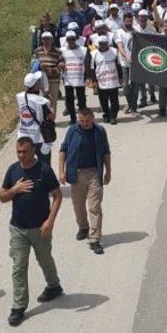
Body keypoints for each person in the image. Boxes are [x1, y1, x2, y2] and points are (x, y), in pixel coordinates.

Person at [0, 136, 63, 327]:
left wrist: (50, 221)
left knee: (44, 259)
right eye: (18, 151)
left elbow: (57, 196)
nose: (21, 155)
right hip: (18, 228)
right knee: (19, 266)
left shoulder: (43, 169)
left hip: (40, 228)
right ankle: (19, 307)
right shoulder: (13, 170)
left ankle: (54, 286)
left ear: (33, 150)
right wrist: (15, 189)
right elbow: (2, 197)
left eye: (24, 151)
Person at [58, 107, 111, 255]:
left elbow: (106, 152)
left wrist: (108, 172)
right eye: (82, 121)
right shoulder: (72, 131)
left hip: (94, 173)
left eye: (87, 121)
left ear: (93, 118)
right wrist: (61, 171)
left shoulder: (99, 132)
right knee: (78, 206)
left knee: (95, 207)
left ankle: (94, 239)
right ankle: (83, 227)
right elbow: (63, 151)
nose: (85, 123)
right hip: (76, 174)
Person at [15, 70, 55, 160]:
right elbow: (52, 117)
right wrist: (51, 104)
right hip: (39, 138)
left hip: (23, 137)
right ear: (35, 85)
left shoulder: (19, 96)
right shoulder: (41, 101)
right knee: (44, 166)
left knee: (26, 163)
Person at [91, 33, 122, 124]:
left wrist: (120, 77)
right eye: (100, 43)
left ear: (107, 43)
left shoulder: (114, 51)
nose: (102, 45)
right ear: (98, 44)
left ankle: (113, 116)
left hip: (113, 80)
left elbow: (119, 65)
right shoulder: (94, 54)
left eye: (104, 43)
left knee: (114, 100)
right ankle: (106, 115)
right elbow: (92, 68)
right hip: (101, 81)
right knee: (103, 101)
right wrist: (94, 81)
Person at [60, 29, 89, 123]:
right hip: (68, 79)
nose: (71, 41)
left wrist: (88, 76)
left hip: (80, 78)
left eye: (73, 39)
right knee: (69, 101)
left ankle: (83, 118)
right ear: (66, 40)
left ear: (76, 39)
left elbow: (87, 64)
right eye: (69, 40)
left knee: (81, 101)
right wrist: (60, 64)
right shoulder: (62, 50)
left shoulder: (83, 50)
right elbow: (59, 61)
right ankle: (73, 118)